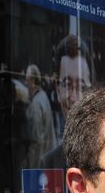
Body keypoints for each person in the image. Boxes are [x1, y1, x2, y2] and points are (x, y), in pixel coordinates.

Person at [40, 34, 93, 169]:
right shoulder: (48, 164)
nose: (74, 98)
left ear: (92, 92)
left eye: (81, 87)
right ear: (58, 90)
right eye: (67, 85)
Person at [23, 64, 56, 168]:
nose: (25, 83)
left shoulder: (36, 103)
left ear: (33, 81)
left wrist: (32, 167)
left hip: (40, 161)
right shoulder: (43, 96)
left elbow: (36, 141)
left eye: (27, 80)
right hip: (48, 157)